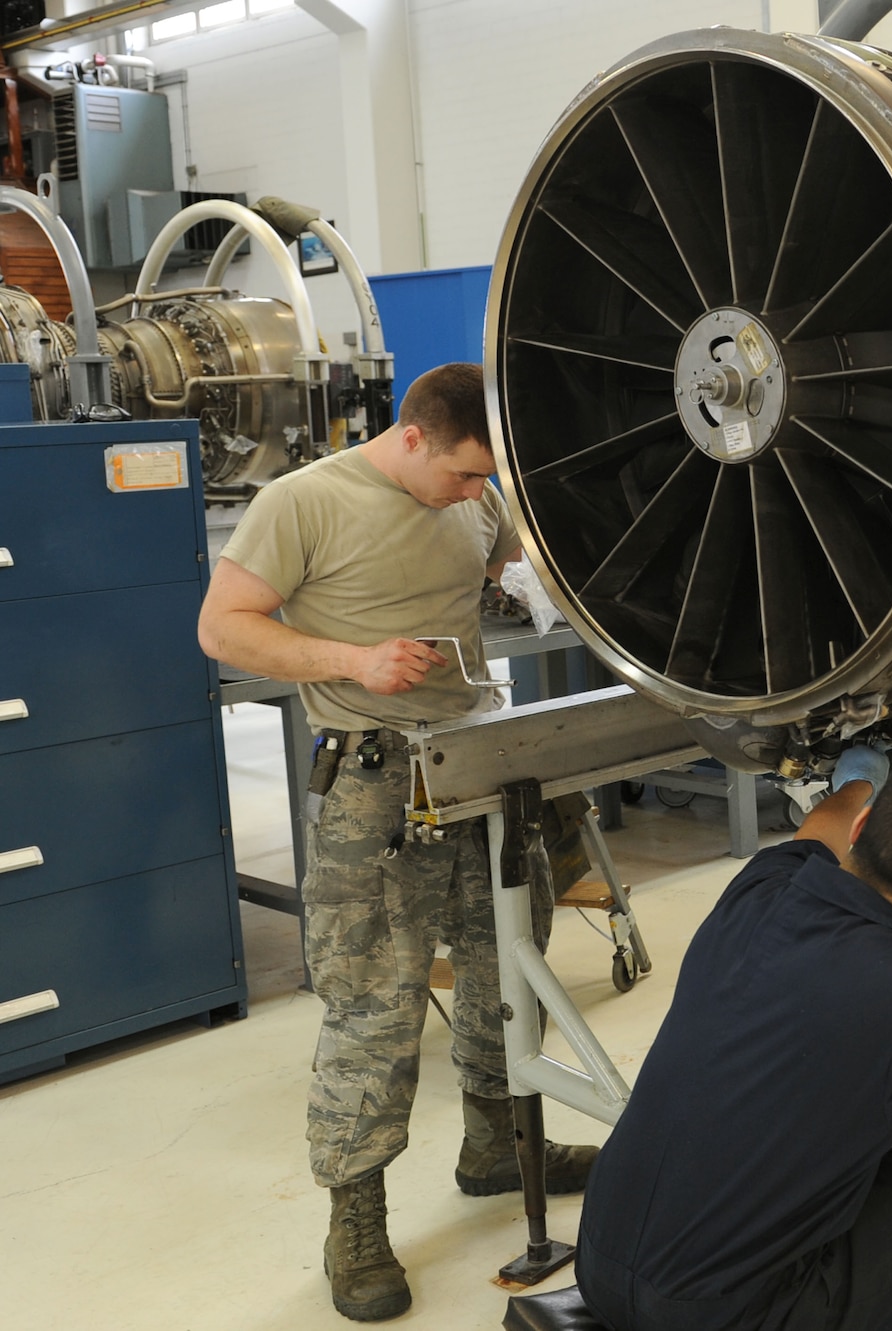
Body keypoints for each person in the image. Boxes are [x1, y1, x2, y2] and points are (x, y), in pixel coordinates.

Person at [196, 363, 598, 1322]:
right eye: (464, 475)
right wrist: (353, 660)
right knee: (374, 1008)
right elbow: (221, 627)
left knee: (511, 970)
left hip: (478, 764)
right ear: (412, 437)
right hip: (373, 790)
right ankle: (356, 1218)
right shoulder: (303, 502)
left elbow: (507, 560)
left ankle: (498, 1144)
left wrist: (537, 580)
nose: (477, 494)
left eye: (485, 479)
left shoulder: (475, 493)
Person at [575, 755, 892, 1331]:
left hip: (602, 1266)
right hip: (733, 1316)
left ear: (861, 831)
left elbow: (818, 831)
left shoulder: (761, 888)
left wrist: (861, 776)